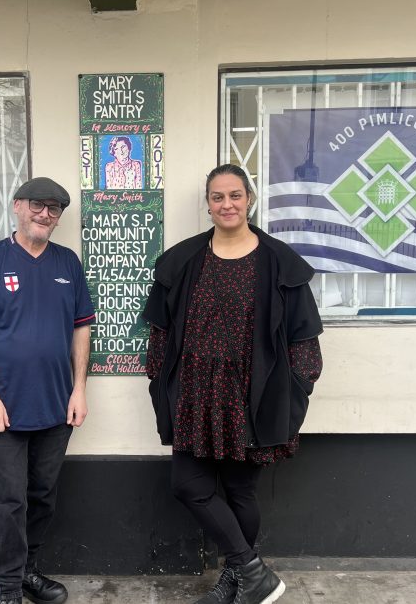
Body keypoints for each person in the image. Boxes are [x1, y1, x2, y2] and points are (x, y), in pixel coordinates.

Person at [143, 164, 323, 604]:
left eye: (235, 196)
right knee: (188, 485)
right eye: (218, 197)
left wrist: (296, 391)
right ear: (207, 204)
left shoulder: (279, 261)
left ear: (250, 200)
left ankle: (236, 577)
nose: (227, 204)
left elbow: (304, 340)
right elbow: (161, 332)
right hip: (195, 394)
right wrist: (159, 378)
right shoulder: (184, 259)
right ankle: (251, 570)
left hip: (252, 395)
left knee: (241, 490)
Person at [0, 176, 95, 604]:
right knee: (5, 503)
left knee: (41, 498)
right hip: (2, 410)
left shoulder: (67, 264)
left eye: (54, 209)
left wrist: (79, 390)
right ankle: (5, 590)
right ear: (18, 206)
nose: (45, 214)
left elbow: (81, 330)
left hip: (55, 410)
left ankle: (27, 572)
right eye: (38, 204)